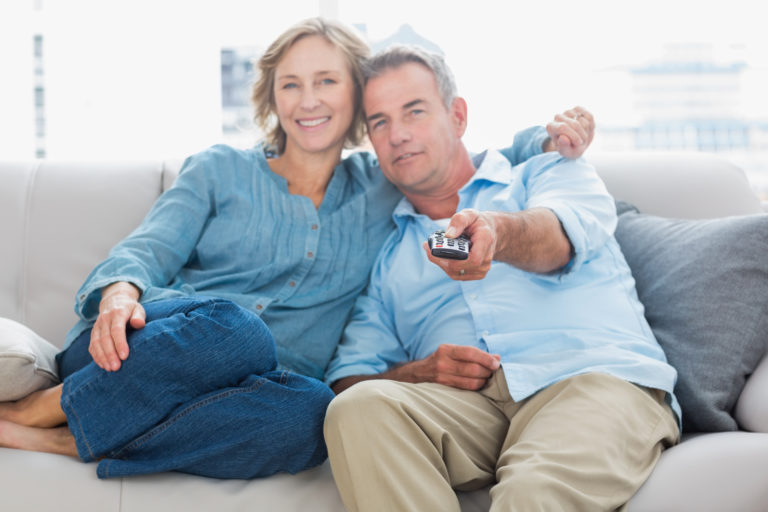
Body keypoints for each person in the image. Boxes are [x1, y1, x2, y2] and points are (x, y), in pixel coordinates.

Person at [0, 18, 593, 480]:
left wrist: (544, 137)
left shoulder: (381, 185)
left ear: (357, 97)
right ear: (272, 97)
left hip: (253, 394)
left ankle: (68, 437)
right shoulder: (219, 169)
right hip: (143, 351)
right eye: (292, 84)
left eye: (327, 82)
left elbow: (460, 153)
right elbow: (145, 251)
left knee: (315, 416)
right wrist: (119, 296)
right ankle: (41, 409)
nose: (308, 101)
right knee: (239, 329)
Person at [323, 45, 680, 512]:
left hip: (590, 378)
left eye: (414, 111)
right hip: (473, 410)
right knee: (357, 410)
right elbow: (347, 380)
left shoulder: (547, 171)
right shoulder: (390, 260)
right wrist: (419, 373)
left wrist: (497, 232)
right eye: (380, 122)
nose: (398, 135)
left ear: (457, 117)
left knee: (532, 493)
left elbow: (557, 238)